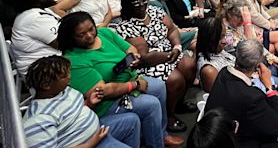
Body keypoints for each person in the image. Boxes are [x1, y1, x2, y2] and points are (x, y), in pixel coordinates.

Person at [57, 11, 184, 148]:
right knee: (150, 104)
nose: (89, 36)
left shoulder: (104, 33)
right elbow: (102, 92)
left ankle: (161, 133)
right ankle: (156, 144)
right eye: (81, 35)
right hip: (107, 102)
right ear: (71, 38)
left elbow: (131, 49)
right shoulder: (74, 60)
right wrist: (134, 85)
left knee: (159, 86)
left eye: (91, 29)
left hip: (128, 78)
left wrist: (133, 57)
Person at [116, 0, 197, 133]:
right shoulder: (125, 26)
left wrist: (177, 47)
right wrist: (169, 55)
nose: (142, 5)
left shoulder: (154, 11)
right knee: (175, 80)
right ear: (128, 5)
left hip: (170, 51)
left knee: (190, 65)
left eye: (144, 0)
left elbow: (172, 29)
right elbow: (145, 56)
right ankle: (169, 115)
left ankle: (179, 102)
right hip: (149, 63)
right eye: (136, 2)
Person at [23, 56, 140, 148]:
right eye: (64, 76)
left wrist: (89, 103)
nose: (69, 77)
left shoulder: (63, 90)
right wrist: (90, 144)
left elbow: (70, 112)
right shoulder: (39, 118)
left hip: (95, 131)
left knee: (132, 120)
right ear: (46, 85)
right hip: (88, 144)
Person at [204, 39, 278, 148]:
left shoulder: (223, 72)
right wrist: (269, 88)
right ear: (257, 65)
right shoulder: (252, 97)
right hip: (236, 139)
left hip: (223, 126)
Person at [195, 16, 278, 93]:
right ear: (209, 40)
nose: (225, 41)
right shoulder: (209, 70)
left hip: (249, 78)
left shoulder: (217, 50)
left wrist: (260, 66)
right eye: (220, 38)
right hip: (246, 89)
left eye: (224, 35)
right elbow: (226, 97)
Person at [10, 0, 61, 76]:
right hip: (41, 71)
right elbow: (62, 43)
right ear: (35, 1)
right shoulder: (33, 18)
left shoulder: (42, 11)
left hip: (50, 61)